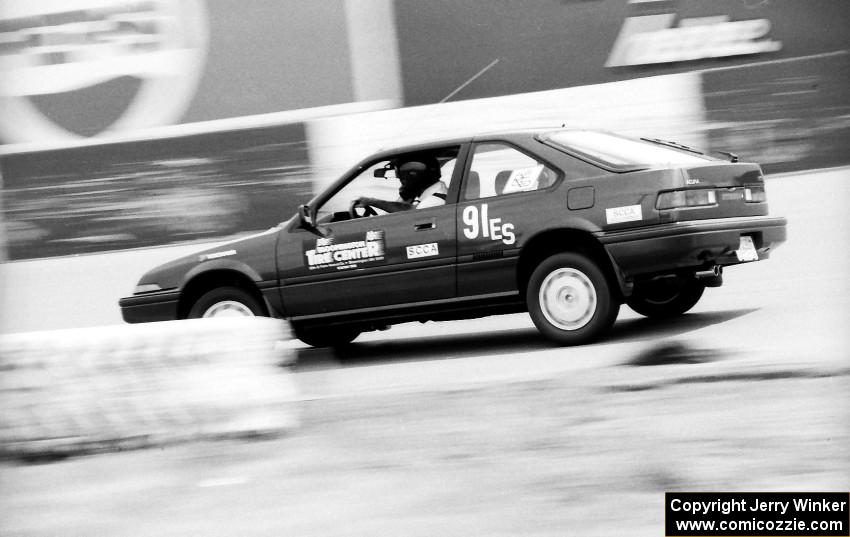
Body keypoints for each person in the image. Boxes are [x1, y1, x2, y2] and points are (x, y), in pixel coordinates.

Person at [350, 159, 447, 214]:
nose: (401, 183)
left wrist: (371, 201)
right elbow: (405, 206)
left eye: (402, 178)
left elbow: (408, 212)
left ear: (413, 177)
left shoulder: (434, 200)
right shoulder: (435, 193)